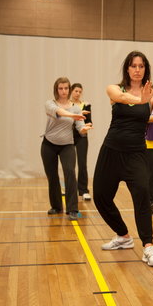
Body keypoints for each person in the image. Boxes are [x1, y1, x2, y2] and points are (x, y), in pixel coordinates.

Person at [93, 50, 153, 267]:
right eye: (133, 66)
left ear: (146, 69)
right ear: (127, 68)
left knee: (143, 196)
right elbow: (121, 98)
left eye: (141, 66)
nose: (137, 70)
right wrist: (139, 100)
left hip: (136, 153)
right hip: (111, 151)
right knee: (100, 196)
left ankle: (148, 247)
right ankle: (123, 236)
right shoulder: (115, 89)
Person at [41, 77, 92, 221]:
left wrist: (84, 129)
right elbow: (60, 112)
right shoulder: (50, 104)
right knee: (52, 176)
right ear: (56, 90)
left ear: (69, 89)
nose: (63, 91)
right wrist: (74, 115)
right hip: (48, 144)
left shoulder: (76, 108)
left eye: (66, 88)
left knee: (70, 173)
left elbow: (80, 127)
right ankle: (56, 206)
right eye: (60, 88)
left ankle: (73, 209)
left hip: (67, 145)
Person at [70, 83, 92, 202]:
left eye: (80, 91)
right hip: (68, 136)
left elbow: (89, 122)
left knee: (82, 163)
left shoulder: (86, 105)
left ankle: (83, 190)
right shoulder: (67, 105)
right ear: (71, 92)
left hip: (82, 136)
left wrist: (87, 124)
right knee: (70, 164)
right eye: (76, 91)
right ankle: (71, 189)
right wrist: (79, 114)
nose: (78, 93)